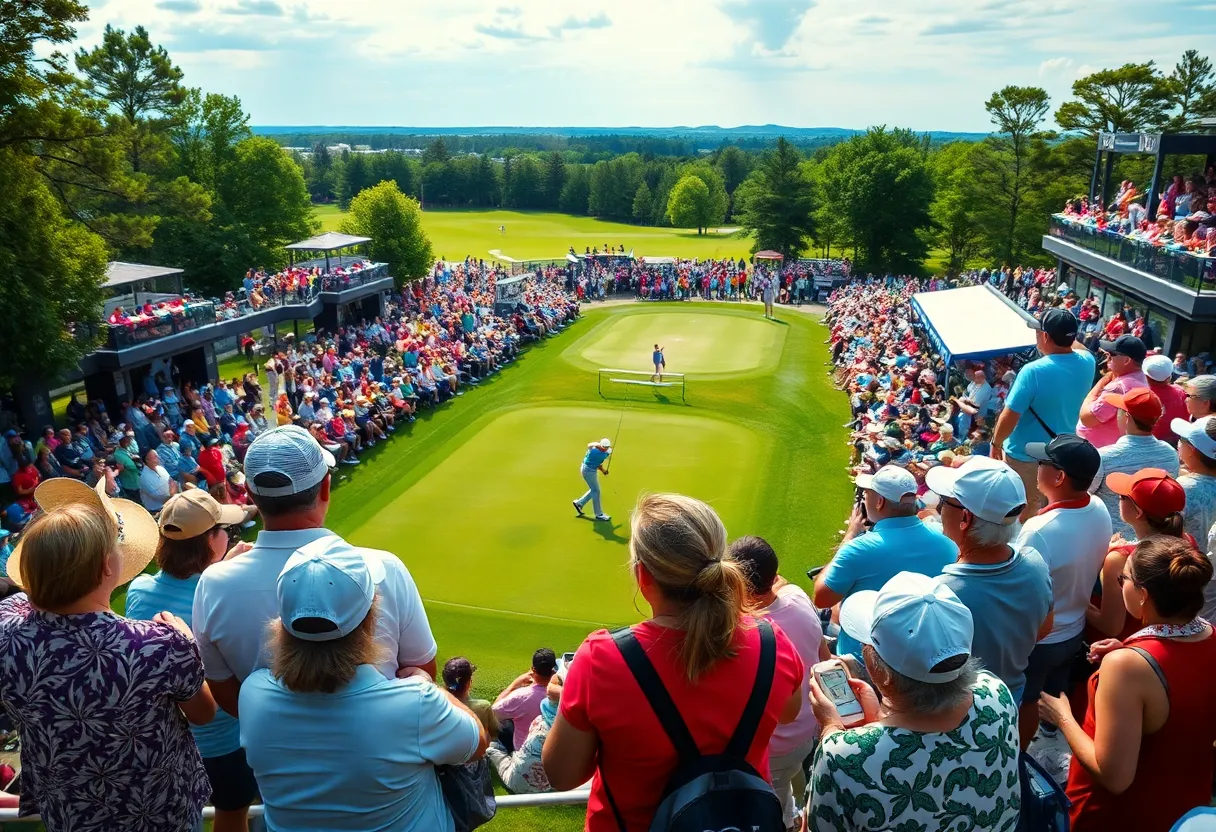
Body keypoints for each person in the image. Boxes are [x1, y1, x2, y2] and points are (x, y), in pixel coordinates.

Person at [542, 493, 805, 831]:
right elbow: (788, 712)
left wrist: (576, 700)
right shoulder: (772, 642)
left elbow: (562, 774)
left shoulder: (601, 660)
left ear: (643, 577)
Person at [0, 479, 215, 831]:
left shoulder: (7, 631)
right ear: (105, 567)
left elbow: (23, 599)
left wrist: (51, 565)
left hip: (69, 814)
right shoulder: (160, 645)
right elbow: (204, 713)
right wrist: (185, 640)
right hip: (161, 813)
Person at [192, 425, 438, 723]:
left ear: (250, 496)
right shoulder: (384, 568)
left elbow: (230, 698)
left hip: (277, 755)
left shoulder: (213, 584)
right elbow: (422, 670)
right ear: (325, 487)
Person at [239, 546, 488, 831]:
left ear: (281, 623)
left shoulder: (253, 694)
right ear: (371, 622)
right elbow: (477, 742)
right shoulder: (416, 703)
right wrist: (430, 687)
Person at [806, 571, 1020, 832]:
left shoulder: (840, 757)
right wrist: (877, 721)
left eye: (867, 645)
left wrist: (831, 731)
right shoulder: (995, 690)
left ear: (881, 673)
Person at [1039, 537, 1216, 832]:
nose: (1122, 585)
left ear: (1143, 593)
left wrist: (1063, 717)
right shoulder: (1209, 635)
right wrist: (1129, 648)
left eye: (1124, 579)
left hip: (1121, 816)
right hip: (1186, 805)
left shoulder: (1128, 666)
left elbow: (1115, 777)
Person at [126, 489, 257, 832]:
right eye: (223, 530)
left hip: (166, 743)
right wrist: (229, 573)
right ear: (210, 541)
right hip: (225, 741)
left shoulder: (139, 591)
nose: (229, 535)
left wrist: (222, 569)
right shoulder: (228, 595)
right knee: (233, 815)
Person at [927, 455, 1054, 704]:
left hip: (963, 713)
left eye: (944, 502)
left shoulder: (941, 594)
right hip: (1012, 697)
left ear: (966, 518)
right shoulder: (1034, 562)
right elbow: (1045, 627)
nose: (939, 510)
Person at [1018, 434, 1111, 747]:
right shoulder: (1098, 507)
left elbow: (1022, 592)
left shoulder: (1038, 530)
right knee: (1057, 696)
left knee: (1027, 703)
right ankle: (1051, 740)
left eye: (1043, 462)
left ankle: (1024, 756)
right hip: (1075, 632)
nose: (1037, 466)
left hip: (1041, 640)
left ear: (1058, 477)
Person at [813, 465, 959, 659]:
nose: (863, 500)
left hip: (864, 661)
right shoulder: (947, 543)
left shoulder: (858, 548)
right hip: (921, 656)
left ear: (880, 502)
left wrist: (850, 536)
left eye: (866, 495)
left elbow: (822, 598)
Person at [732, 535, 827, 828]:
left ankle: (789, 821)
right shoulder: (798, 597)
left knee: (774, 801)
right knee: (792, 775)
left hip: (770, 747)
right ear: (773, 577)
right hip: (808, 731)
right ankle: (798, 807)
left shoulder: (740, 631)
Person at [991, 307, 1096, 518]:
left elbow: (1010, 415)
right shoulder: (1088, 362)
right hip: (1062, 452)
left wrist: (996, 443)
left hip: (1025, 455)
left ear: (1046, 336)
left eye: (1038, 332)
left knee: (1026, 509)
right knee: (1052, 506)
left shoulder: (1033, 371)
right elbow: (1080, 347)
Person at [1087, 469, 1192, 640]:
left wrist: (1078, 602)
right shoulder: (1187, 542)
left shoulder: (1119, 559)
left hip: (1126, 647)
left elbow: (1111, 626)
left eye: (1122, 497)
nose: (1118, 499)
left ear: (1138, 512)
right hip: (1171, 641)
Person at [1093, 389, 1179, 536]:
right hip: (1154, 539)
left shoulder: (1103, 456)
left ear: (1126, 417)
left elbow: (1086, 494)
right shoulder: (1170, 453)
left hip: (1113, 541)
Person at [1077, 335, 1150, 450]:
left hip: (1096, 452)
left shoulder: (1119, 387)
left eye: (1112, 355)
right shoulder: (1140, 378)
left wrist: (1094, 390)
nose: (1108, 357)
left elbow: (1087, 419)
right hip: (1110, 448)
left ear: (1126, 360)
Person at [492, 648, 557, 754]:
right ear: (553, 670)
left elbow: (492, 712)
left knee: (503, 723)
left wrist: (514, 685)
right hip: (552, 749)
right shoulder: (563, 692)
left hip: (525, 750)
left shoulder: (521, 696)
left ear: (533, 669)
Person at [1170, 416, 1216, 546]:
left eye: (1182, 439)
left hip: (1190, 563)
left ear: (1192, 450)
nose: (1179, 443)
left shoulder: (1183, 489)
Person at [1142, 354, 1189, 445]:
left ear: (1146, 376)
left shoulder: (1142, 395)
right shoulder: (1181, 392)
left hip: (1149, 443)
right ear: (1169, 377)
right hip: (1177, 442)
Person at [572, 436, 612, 522]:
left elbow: (589, 445)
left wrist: (598, 444)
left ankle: (579, 503)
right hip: (589, 472)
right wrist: (604, 471)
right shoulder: (604, 455)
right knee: (596, 491)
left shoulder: (593, 449)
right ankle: (599, 514)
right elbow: (599, 463)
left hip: (585, 468)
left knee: (594, 490)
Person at [139, 447, 177, 512]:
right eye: (155, 457)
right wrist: (172, 493)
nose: (158, 458)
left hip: (171, 501)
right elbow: (159, 497)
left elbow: (172, 481)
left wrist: (173, 492)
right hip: (158, 509)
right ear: (147, 460)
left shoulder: (160, 468)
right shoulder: (144, 477)